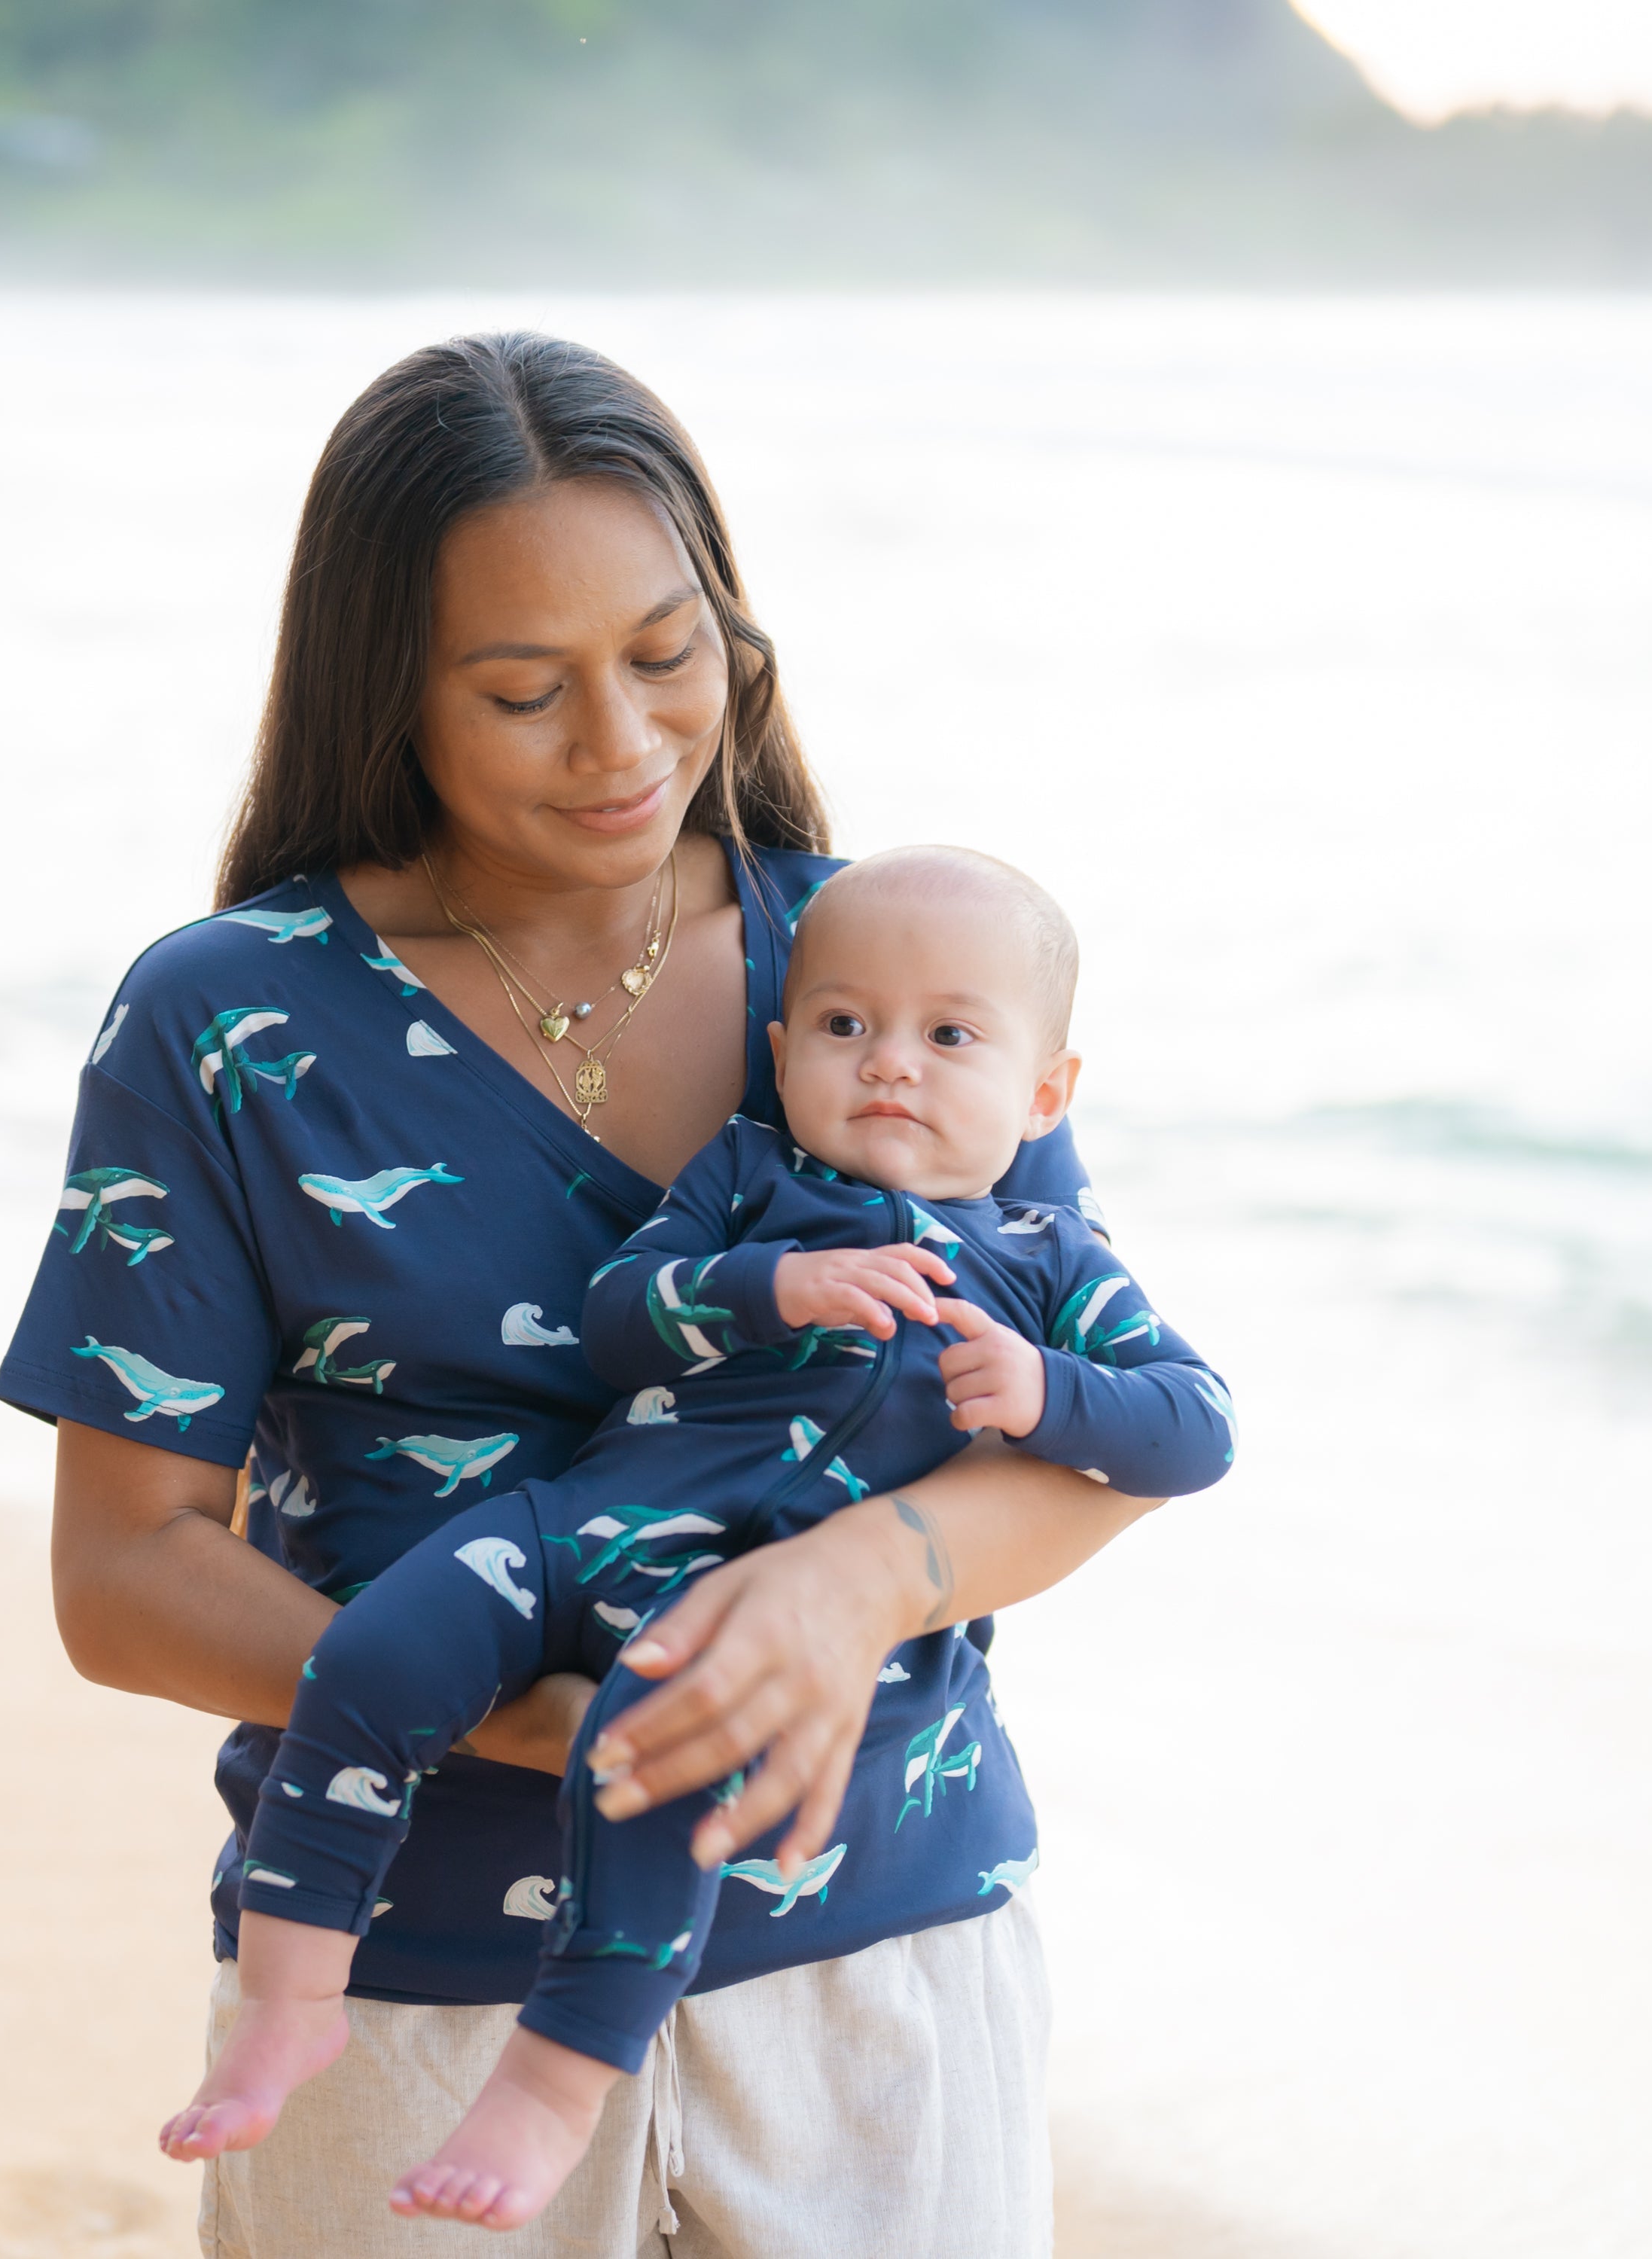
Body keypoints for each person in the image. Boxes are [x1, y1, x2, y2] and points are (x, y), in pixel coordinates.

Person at [0, 331, 1169, 2259]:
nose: (623, 746)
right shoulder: (228, 1023)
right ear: (392, 691)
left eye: (665, 655)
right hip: (405, 1974)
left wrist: (854, 1583)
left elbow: (1094, 1422)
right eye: (525, 691)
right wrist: (507, 1721)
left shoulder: (888, 964)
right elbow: (122, 1574)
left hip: (879, 1937)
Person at [156, 847, 1236, 2230]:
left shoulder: (1043, 1259)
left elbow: (1193, 1426)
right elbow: (620, 1313)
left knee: (660, 1754)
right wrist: (772, 1285)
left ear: (1046, 1095)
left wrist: (1048, 1392)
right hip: (585, 1528)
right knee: (376, 1650)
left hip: (721, 1608)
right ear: (780, 1050)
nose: (890, 1063)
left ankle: (556, 2077)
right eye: (845, 1028)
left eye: (948, 1037)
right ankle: (295, 1993)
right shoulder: (751, 1174)